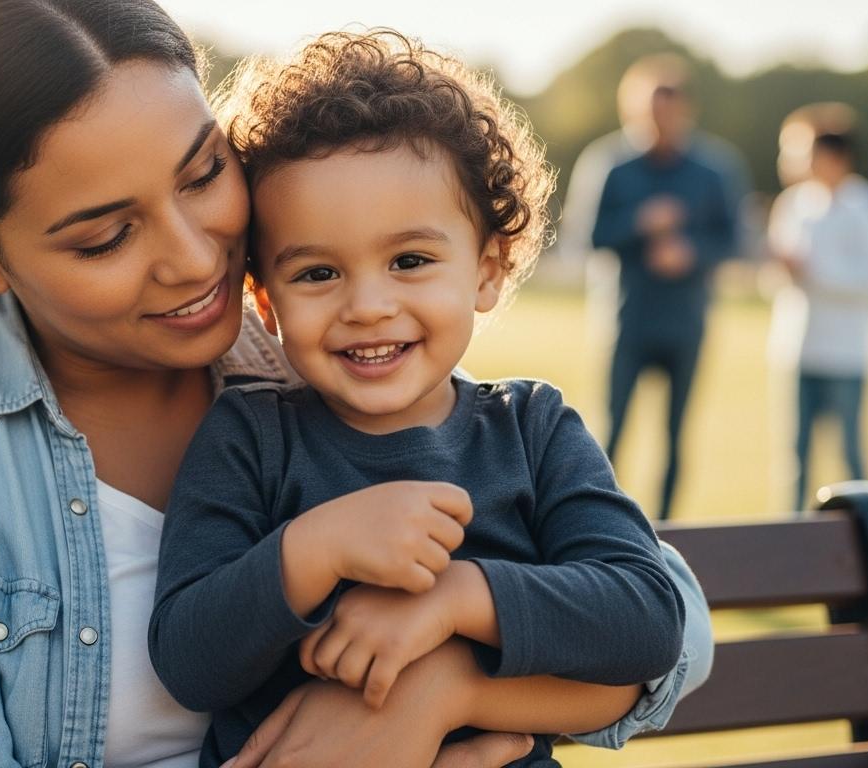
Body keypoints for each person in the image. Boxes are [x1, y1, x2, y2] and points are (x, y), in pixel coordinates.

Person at [0, 3, 714, 767]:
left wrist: (441, 691)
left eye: (202, 175)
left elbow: (670, 626)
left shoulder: (316, 362)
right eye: (106, 236)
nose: (196, 263)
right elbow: (192, 654)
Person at [149, 32, 688, 768]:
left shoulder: (532, 429)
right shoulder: (249, 438)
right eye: (316, 273)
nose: (368, 305)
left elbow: (647, 619)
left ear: (488, 269)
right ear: (263, 301)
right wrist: (317, 547)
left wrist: (456, 598)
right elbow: (188, 660)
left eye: (410, 261)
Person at [589, 57, 743, 521]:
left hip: (686, 322)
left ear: (686, 111)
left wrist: (691, 253)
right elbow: (591, 236)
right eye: (650, 112)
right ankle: (600, 527)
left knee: (677, 435)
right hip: (627, 320)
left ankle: (668, 532)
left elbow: (734, 240)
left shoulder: (714, 169)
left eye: (669, 112)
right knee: (611, 433)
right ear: (632, 111)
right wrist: (640, 223)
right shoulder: (612, 165)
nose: (660, 123)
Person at [767, 124, 868, 511]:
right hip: (797, 347)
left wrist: (813, 271)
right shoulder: (792, 204)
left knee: (851, 453)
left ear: (834, 157)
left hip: (845, 351)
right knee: (795, 453)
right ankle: (790, 532)